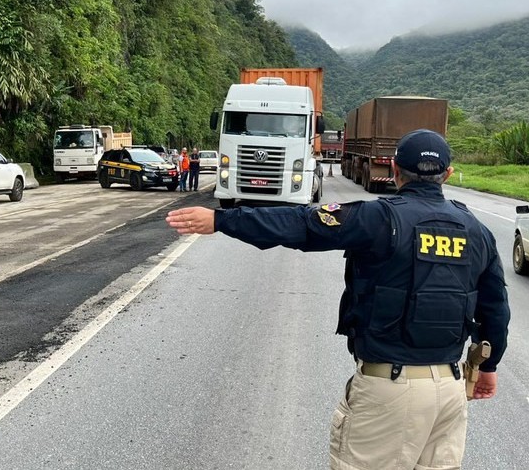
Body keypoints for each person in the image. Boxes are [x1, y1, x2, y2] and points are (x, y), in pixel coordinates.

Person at [166, 129, 510, 469]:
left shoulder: (379, 219)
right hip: (449, 391)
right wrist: (488, 367)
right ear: (446, 175)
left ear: (393, 169)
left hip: (389, 390)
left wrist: (221, 220)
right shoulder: (477, 231)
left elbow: (302, 224)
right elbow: (495, 309)